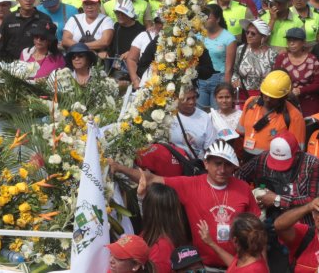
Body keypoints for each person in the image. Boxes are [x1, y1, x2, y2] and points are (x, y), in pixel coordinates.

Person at [119, 140, 260, 271]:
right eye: (217, 163)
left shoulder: (243, 188)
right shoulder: (190, 185)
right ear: (206, 163)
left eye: (227, 164)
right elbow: (150, 179)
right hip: (203, 267)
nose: (222, 170)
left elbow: (256, 229)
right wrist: (118, 167)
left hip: (238, 265)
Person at [238, 70, 308, 156]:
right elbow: (240, 133)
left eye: (273, 98)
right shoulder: (250, 103)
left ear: (283, 97)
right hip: (247, 158)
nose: (267, 100)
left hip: (274, 163)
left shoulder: (294, 116)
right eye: (266, 95)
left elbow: (297, 151)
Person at [168, 86, 213, 159]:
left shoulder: (204, 117)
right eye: (187, 99)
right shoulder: (169, 117)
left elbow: (210, 148)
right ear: (177, 99)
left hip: (197, 164)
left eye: (194, 98)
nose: (192, 102)